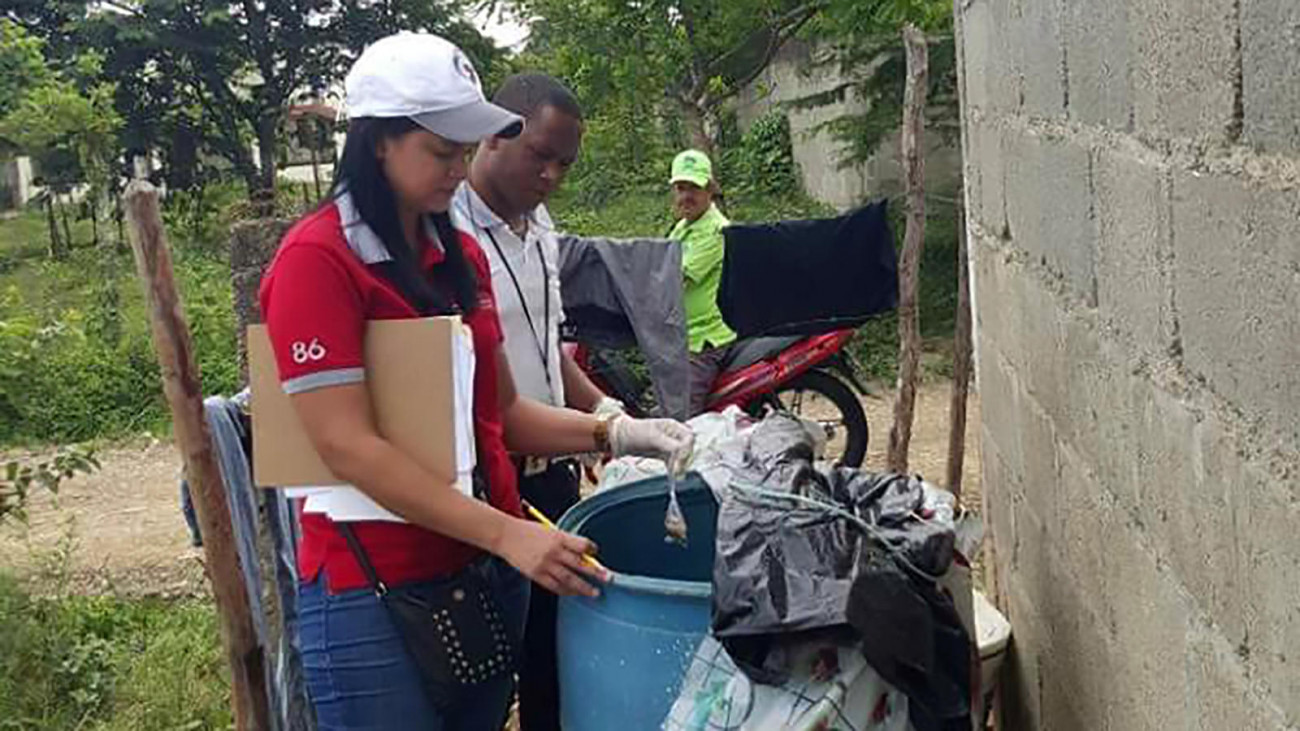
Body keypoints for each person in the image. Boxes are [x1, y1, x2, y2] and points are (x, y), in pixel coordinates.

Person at [258, 32, 694, 729]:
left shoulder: (457, 253)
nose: (458, 169)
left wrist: (617, 428)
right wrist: (506, 532)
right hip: (373, 587)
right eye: (441, 151)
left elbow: (504, 411)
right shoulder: (319, 260)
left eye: (465, 150)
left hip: (480, 573)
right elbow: (345, 445)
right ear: (377, 142)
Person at [451, 73, 619, 731]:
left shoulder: (541, 227)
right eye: (539, 155)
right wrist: (608, 433)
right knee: (493, 659)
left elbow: (548, 350)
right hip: (488, 483)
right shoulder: (447, 232)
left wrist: (609, 414)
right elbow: (490, 392)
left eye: (564, 164)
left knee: (556, 648)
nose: (550, 175)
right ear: (494, 134)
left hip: (551, 473)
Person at [667, 149, 737, 415]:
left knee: (681, 416)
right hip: (683, 335)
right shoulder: (684, 226)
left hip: (704, 339)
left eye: (694, 188)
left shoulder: (716, 230)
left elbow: (675, 277)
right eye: (681, 188)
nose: (686, 196)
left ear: (709, 189)